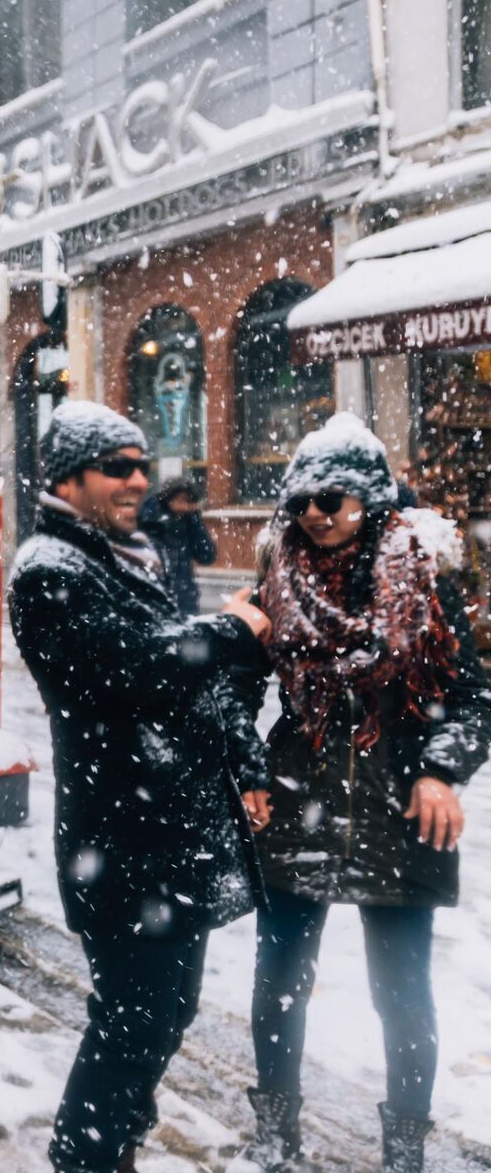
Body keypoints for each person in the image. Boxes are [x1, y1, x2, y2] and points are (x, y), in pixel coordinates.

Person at [9, 400, 273, 1173]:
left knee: (165, 1011)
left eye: (141, 465)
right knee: (133, 1018)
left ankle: (113, 1142)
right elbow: (133, 667)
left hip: (167, 834)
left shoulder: (130, 556)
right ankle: (84, 1157)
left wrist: (247, 763)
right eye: (116, 467)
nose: (136, 481)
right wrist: (229, 634)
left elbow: (187, 687)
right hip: (118, 838)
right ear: (68, 477)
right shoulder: (49, 569)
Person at [231, 414, 491, 1173]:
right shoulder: (276, 574)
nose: (316, 510)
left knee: (402, 994)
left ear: (372, 497)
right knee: (280, 981)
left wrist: (442, 768)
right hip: (296, 797)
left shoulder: (427, 579)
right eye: (304, 496)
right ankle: (274, 1136)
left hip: (399, 807)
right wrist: (248, 768)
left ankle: (403, 1151)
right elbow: (235, 692)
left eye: (336, 495)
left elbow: (474, 699)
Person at [137, 476, 217, 616]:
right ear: (168, 499)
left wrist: (195, 520)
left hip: (185, 599)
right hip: (155, 599)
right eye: (180, 500)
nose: (184, 506)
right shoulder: (149, 520)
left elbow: (206, 556)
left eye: (188, 501)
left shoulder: (188, 520)